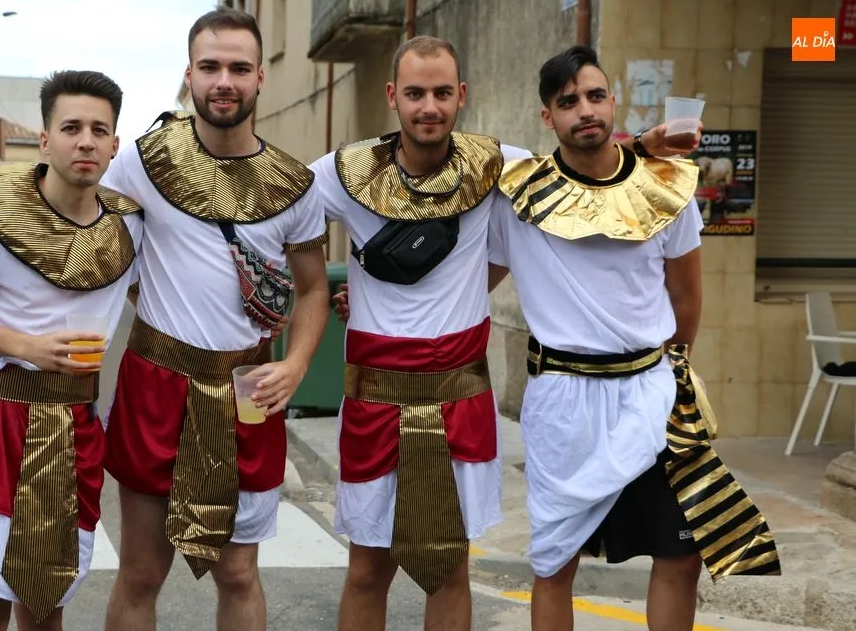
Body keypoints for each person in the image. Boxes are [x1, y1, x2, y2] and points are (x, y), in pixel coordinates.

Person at [316, 36, 699, 631]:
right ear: (392, 96)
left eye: (442, 92)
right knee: (369, 568)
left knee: (453, 567)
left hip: (471, 396)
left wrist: (642, 146)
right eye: (415, 93)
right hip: (380, 396)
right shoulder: (343, 171)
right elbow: (275, 216)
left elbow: (584, 168)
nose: (429, 106)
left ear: (461, 95)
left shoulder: (500, 168)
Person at [487, 45, 780, 631]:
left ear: (613, 100)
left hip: (649, 392)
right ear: (547, 116)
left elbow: (687, 301)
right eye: (568, 101)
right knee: (555, 562)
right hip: (563, 401)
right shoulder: (519, 195)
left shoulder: (666, 189)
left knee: (681, 552)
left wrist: (669, 372)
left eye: (596, 96)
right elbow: (471, 283)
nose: (585, 110)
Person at [99, 7, 329, 631]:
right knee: (141, 572)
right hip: (157, 379)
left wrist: (296, 364)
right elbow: (103, 254)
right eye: (210, 67)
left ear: (260, 77)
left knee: (239, 573)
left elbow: (313, 289)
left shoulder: (295, 184)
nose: (223, 81)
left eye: (238, 68)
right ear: (189, 75)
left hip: (250, 385)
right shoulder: (142, 161)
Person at [0, 70, 143, 631]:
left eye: (99, 130)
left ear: (115, 144)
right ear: (45, 139)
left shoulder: (130, 226)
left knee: (45, 606)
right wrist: (26, 346)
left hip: (74, 424)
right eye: (71, 128)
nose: (85, 141)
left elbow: (162, 300)